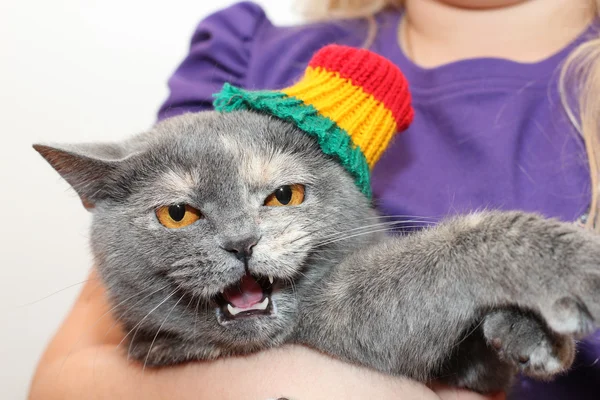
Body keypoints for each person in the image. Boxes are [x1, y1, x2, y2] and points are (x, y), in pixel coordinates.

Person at [29, 0, 600, 399]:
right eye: (179, 212)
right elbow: (59, 380)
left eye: (281, 194)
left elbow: (360, 301)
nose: (240, 237)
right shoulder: (245, 54)